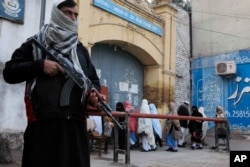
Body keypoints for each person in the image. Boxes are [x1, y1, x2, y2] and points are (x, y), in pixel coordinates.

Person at [3, 1, 102, 167]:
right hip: (43, 130)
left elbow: (93, 82)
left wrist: (93, 94)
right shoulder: (35, 44)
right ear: (57, 14)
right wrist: (39, 65)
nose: (72, 18)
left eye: (76, 15)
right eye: (67, 13)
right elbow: (10, 72)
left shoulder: (80, 51)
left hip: (75, 131)